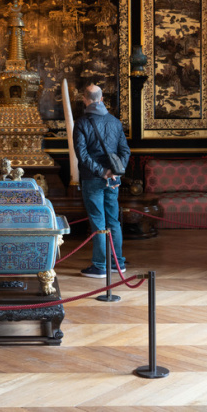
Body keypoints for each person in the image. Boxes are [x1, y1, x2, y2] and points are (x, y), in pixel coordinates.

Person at [73, 84, 131, 278]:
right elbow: (125, 151)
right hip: (113, 179)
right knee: (113, 220)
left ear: (85, 99)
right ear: (102, 98)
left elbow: (82, 155)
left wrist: (102, 172)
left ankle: (100, 266)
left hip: (93, 178)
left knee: (98, 221)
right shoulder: (114, 122)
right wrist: (115, 172)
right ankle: (117, 263)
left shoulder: (81, 123)